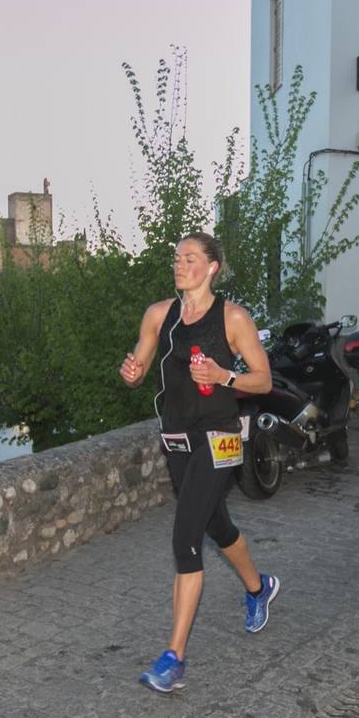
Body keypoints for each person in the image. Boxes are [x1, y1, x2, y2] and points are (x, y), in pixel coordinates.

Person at [119, 232, 280, 693]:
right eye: (176, 257)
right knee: (215, 525)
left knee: (185, 533)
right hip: (177, 437)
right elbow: (139, 367)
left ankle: (174, 658)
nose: (179, 264)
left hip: (221, 437)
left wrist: (223, 375)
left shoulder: (232, 318)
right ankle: (258, 587)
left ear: (212, 267)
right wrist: (130, 372)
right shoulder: (158, 315)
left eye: (189, 258)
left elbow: (263, 379)